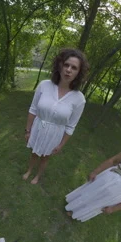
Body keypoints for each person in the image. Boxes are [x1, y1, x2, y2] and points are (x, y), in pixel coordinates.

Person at [23, 48, 88, 185]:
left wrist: (61, 145)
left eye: (74, 68)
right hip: (38, 126)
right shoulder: (44, 86)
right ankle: (29, 170)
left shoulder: (79, 99)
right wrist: (28, 130)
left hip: (55, 133)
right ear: (60, 66)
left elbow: (71, 126)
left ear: (78, 73)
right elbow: (33, 109)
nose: (69, 70)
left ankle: (38, 176)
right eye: (66, 65)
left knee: (45, 157)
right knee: (34, 152)